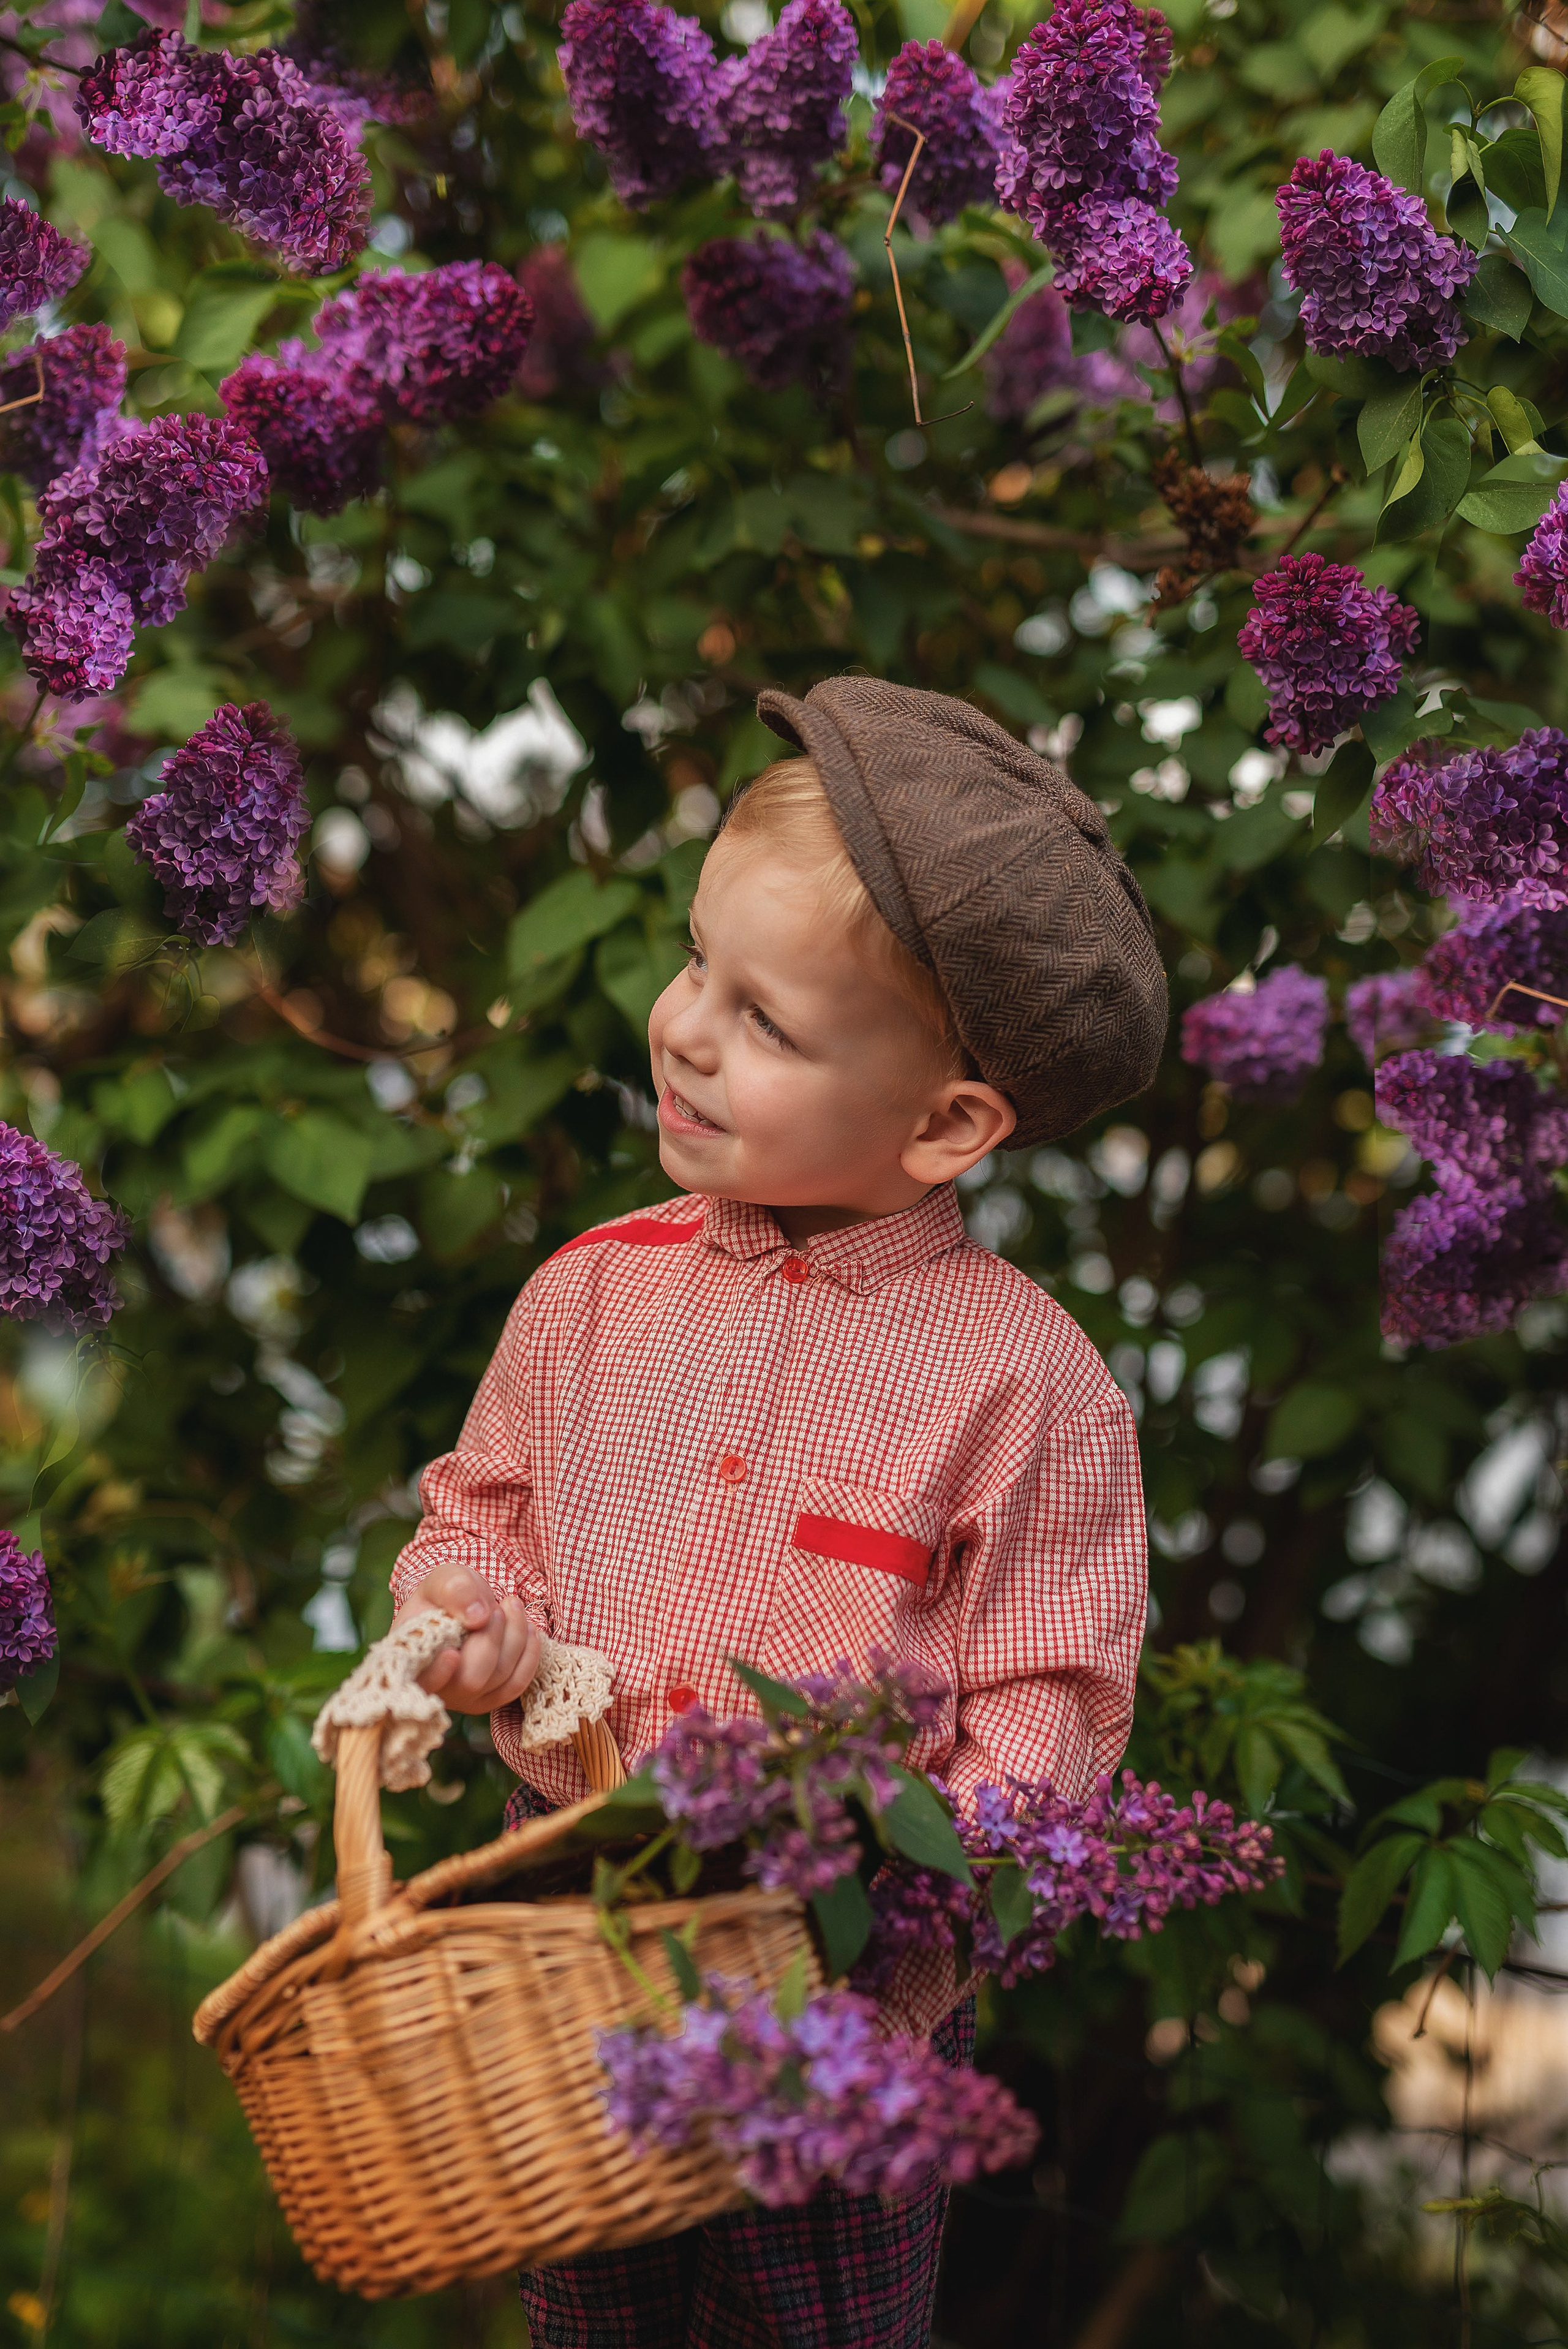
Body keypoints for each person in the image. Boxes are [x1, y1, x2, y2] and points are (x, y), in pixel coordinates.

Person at [388, 676, 1167, 2349]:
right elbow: (476, 1515)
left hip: (839, 2011)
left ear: (949, 1123)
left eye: (764, 1018)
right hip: (583, 1959)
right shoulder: (589, 1297)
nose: (681, 1025)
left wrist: (908, 1974)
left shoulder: (1029, 1383)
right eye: (693, 964)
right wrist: (469, 1623)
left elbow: (1051, 1697)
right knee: (592, 2320)